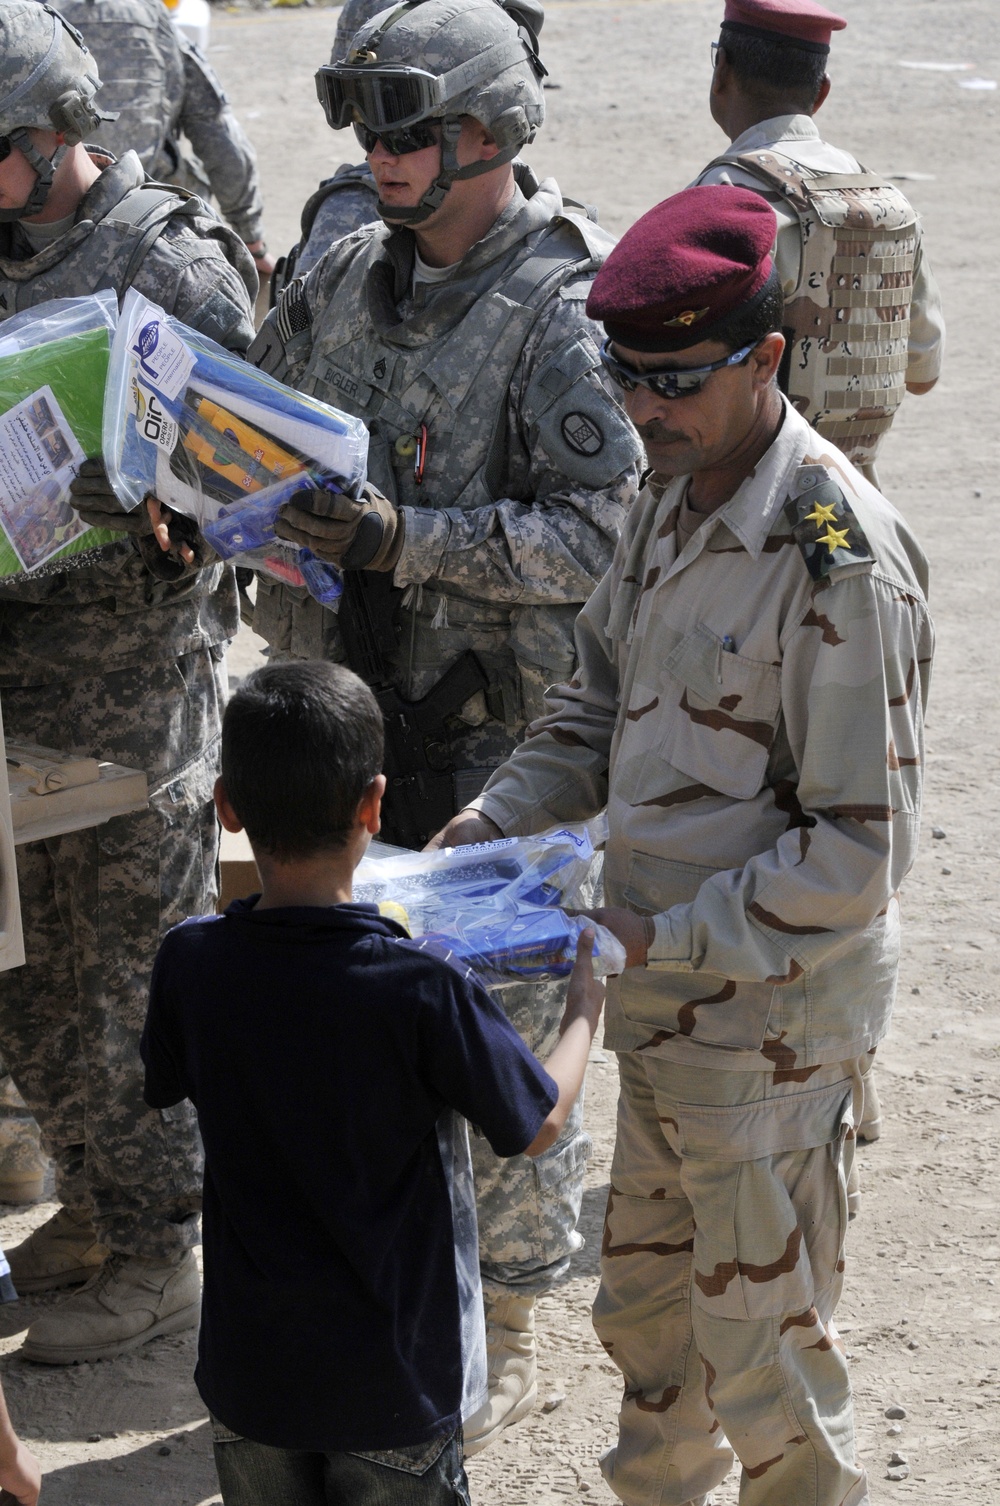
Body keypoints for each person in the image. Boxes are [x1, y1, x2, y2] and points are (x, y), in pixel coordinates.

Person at [433, 184, 933, 1504]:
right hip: (652, 1003)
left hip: (767, 1031)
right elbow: (594, 705)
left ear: (766, 358)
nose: (645, 409)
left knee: (768, 1365)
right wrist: (493, 818)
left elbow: (854, 853)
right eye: (630, 377)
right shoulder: (668, 495)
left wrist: (665, 931)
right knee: (652, 1334)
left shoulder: (836, 559)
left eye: (677, 381)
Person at [247, 0, 641, 1454]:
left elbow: (599, 537)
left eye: (406, 126)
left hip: (495, 744)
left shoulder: (563, 305)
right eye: (366, 125)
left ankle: (515, 1322)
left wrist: (404, 537)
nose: (378, 153)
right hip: (348, 727)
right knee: (349, 1044)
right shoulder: (349, 272)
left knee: (503, 1038)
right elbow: (270, 419)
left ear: (488, 132)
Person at [140, 660, 606, 1506]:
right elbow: (537, 1123)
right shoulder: (421, 987)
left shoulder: (191, 959)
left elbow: (169, 1080)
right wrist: (583, 1010)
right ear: (374, 805)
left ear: (227, 807)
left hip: (251, 1377)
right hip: (393, 1383)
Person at [0, 0, 256, 1365]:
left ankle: (161, 1248)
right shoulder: (6, 238)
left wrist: (152, 495)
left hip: (126, 688)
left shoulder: (172, 265)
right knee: (28, 988)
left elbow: (261, 483)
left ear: (49, 140)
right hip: (12, 690)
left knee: (122, 989)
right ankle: (98, 1205)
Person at [694, 0, 944, 493]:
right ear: (821, 92)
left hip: (741, 511)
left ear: (721, 70)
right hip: (853, 514)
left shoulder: (723, 197)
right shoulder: (889, 203)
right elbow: (921, 375)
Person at [46, 0, 274, 276]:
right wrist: (251, 237)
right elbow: (218, 135)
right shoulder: (153, 17)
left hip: (46, 226)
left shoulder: (32, 20)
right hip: (154, 224)